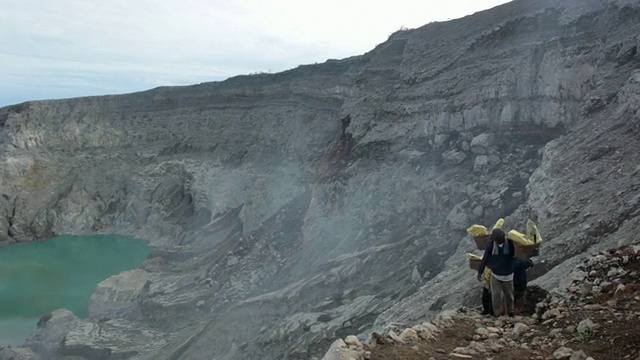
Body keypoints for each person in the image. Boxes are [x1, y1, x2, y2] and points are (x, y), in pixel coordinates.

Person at [476, 228, 515, 316]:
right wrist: (480, 271)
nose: (496, 241)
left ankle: (510, 311)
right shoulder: (491, 245)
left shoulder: (510, 244)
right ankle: (497, 313)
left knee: (508, 295)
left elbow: (516, 256)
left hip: (508, 274)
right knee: (495, 294)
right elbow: (485, 258)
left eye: (497, 239)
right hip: (495, 273)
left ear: (502, 237)